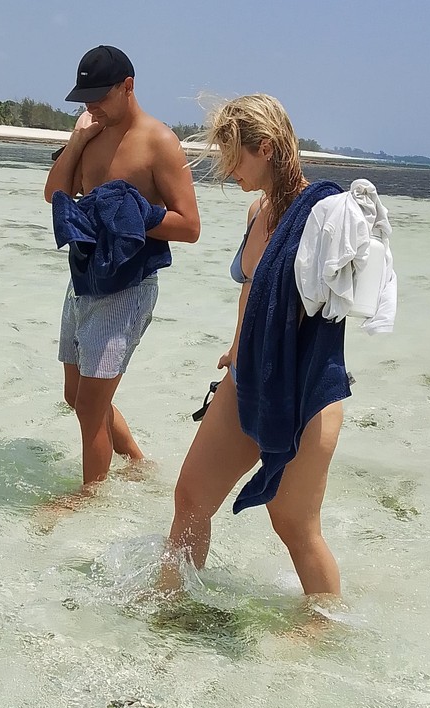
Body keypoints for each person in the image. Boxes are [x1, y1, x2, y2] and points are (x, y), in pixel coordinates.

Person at [160, 94, 351, 605]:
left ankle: (324, 626)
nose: (229, 171)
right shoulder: (258, 210)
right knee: (191, 497)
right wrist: (236, 343)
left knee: (293, 522)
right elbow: (253, 288)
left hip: (304, 387)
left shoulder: (325, 218)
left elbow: (338, 300)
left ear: (264, 147)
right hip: (248, 376)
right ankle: (171, 605)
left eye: (234, 157)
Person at [44, 45, 200, 493]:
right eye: (84, 99)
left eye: (98, 96)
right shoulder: (92, 134)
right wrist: (76, 141)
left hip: (128, 287)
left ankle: (88, 498)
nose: (90, 106)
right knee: (75, 396)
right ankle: (135, 461)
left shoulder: (159, 142)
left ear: (127, 86)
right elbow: (54, 193)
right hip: (84, 279)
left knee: (90, 408)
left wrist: (135, 214)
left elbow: (190, 226)